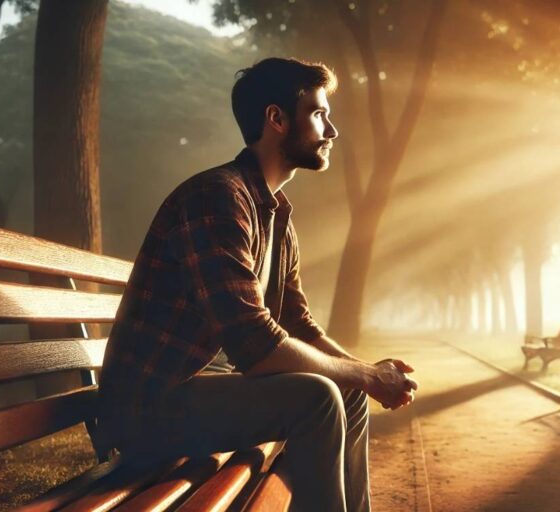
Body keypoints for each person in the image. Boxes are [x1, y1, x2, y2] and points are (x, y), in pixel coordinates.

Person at [96, 57, 416, 512]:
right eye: (319, 114)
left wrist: (366, 374)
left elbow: (297, 323)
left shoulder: (275, 215)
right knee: (318, 396)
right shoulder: (218, 198)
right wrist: (367, 374)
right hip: (146, 410)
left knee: (345, 390)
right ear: (277, 119)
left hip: (196, 394)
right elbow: (255, 345)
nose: (332, 131)